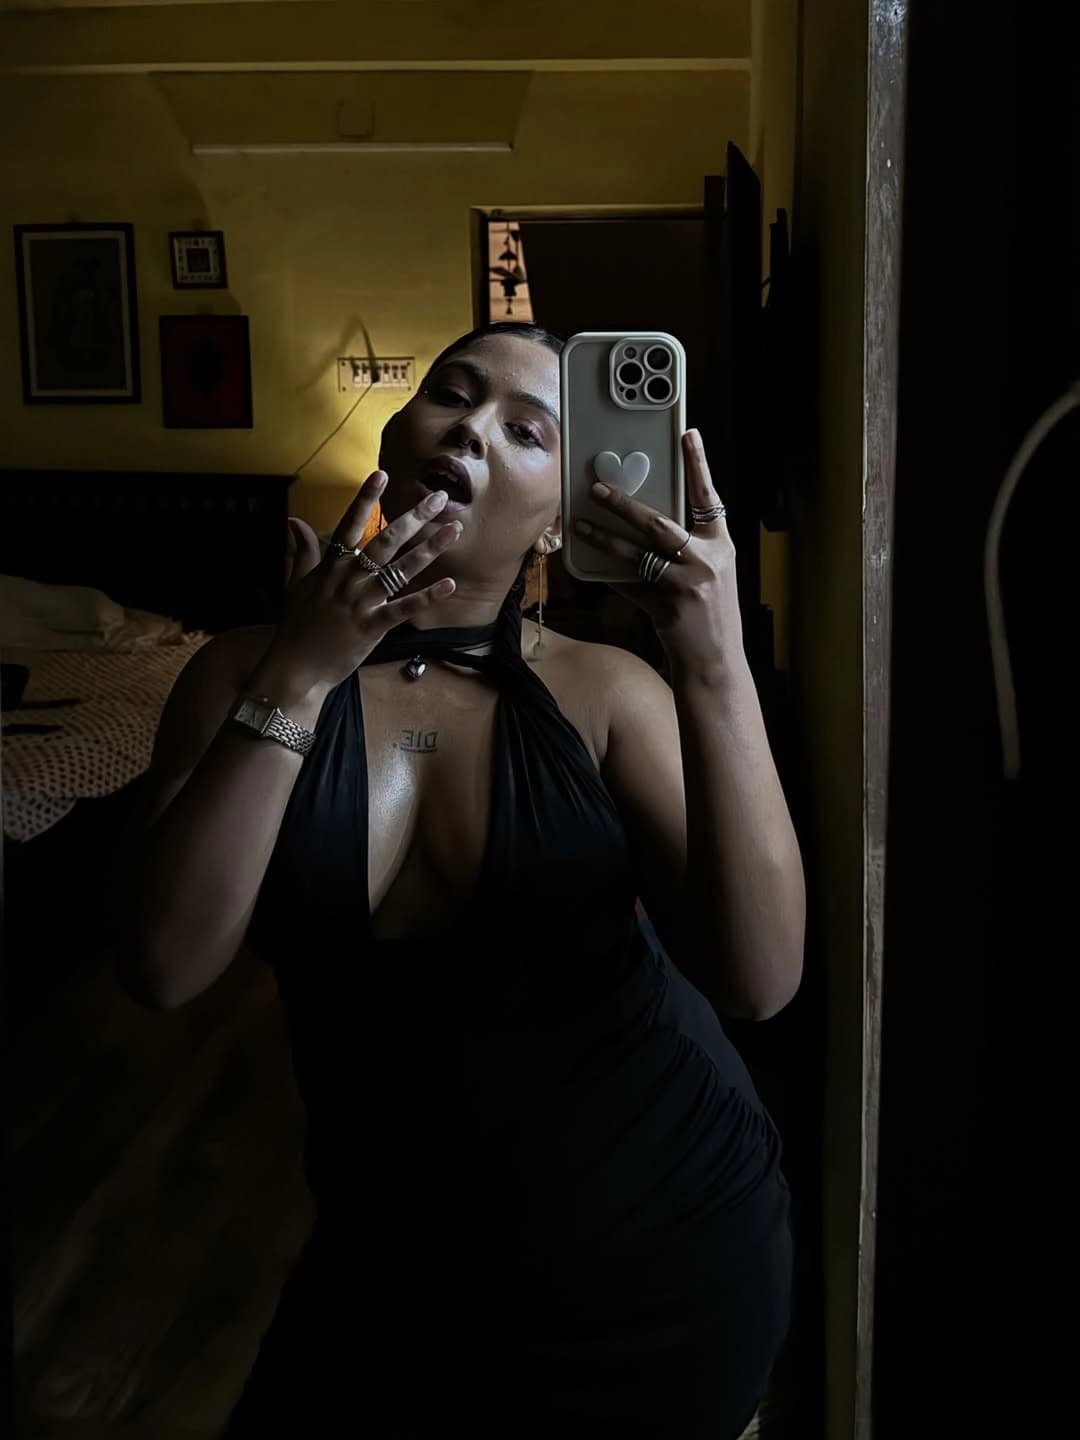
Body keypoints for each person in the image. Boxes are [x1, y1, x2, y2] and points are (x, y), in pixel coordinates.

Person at [119, 322, 805, 1438]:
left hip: (661, 1260)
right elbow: (162, 964)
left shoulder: (608, 695)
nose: (472, 429)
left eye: (526, 430)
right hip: (393, 1279)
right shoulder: (240, 672)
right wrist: (301, 674)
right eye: (453, 393)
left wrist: (715, 661)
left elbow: (761, 979)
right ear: (397, 433)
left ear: (560, 516)